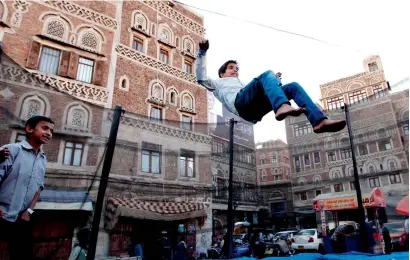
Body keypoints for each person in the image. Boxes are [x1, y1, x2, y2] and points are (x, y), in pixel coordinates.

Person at [195, 40, 346, 133]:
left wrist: (274, 81)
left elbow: (261, 89)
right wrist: (202, 52)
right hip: (240, 105)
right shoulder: (216, 83)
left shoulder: (242, 84)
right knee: (267, 73)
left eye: (237, 68)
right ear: (222, 73)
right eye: (231, 68)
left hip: (255, 111)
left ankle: (319, 122)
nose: (235, 70)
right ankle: (282, 106)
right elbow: (200, 77)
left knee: (292, 86)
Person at [0, 115, 54, 260]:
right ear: (29, 129)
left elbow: (39, 187)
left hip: (21, 221)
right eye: (45, 128)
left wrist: (28, 211)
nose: (49, 133)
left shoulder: (42, 159)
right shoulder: (10, 150)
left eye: (51, 130)